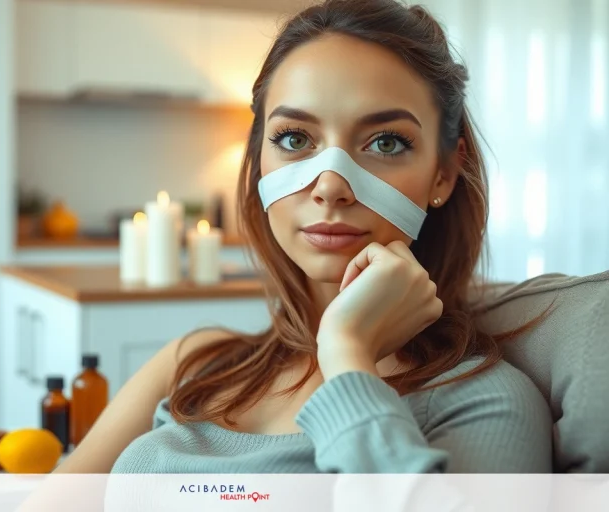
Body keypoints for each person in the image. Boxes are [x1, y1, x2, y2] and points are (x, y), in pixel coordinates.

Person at [55, 0, 552, 474]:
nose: (331, 185)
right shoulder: (194, 363)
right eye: (295, 139)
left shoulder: (485, 401)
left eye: (385, 142)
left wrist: (347, 353)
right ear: (260, 163)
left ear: (443, 173)